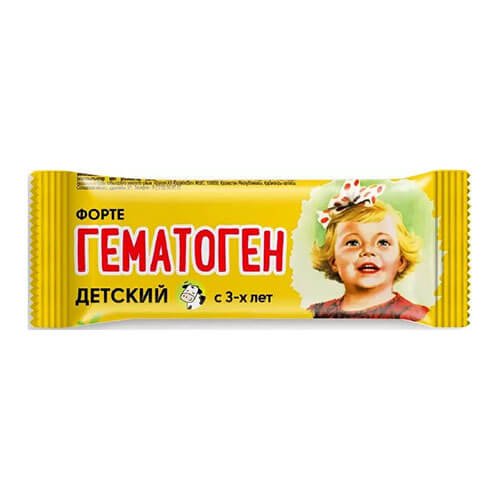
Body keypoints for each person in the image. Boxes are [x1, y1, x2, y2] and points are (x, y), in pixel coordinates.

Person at [309, 180, 429, 321]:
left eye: (383, 242)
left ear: (401, 261)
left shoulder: (415, 315)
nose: (367, 251)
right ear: (333, 261)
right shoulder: (316, 313)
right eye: (353, 242)